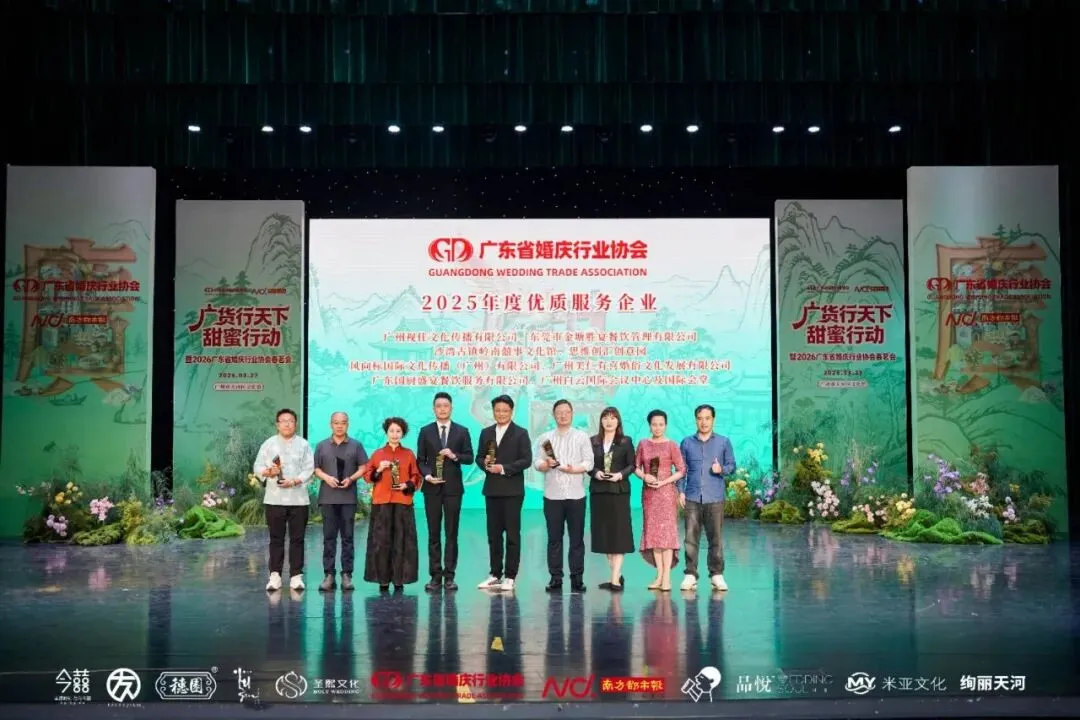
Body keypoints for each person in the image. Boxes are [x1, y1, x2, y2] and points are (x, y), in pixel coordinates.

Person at [416, 391, 475, 592]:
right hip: (431, 488)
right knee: (433, 533)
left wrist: (454, 455)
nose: (442, 409)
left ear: (451, 408)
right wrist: (427, 476)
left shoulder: (462, 431)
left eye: (446, 406)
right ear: (434, 409)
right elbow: (420, 460)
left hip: (453, 489)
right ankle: (435, 576)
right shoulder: (425, 431)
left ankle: (449, 576)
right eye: (438, 406)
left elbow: (470, 458)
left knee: (451, 533)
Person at [534, 399, 594, 593]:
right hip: (552, 496)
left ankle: (577, 578)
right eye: (559, 412)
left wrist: (573, 469)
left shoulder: (581, 436)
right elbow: (536, 462)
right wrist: (545, 465)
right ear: (553, 415)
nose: (563, 415)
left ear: (572, 413)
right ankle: (555, 578)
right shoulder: (545, 438)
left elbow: (589, 463)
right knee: (554, 539)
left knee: (577, 539)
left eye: (566, 412)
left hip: (576, 496)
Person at [253, 408, 315, 592]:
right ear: (277, 424)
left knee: (298, 539)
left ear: (295, 424)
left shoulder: (304, 444)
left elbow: (309, 469)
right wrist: (268, 472)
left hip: (298, 500)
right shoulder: (268, 444)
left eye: (291, 421)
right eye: (283, 421)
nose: (287, 424)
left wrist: (295, 481)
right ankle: (275, 576)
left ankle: (296, 576)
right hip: (274, 499)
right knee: (276, 539)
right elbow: (257, 466)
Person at [475, 394, 532, 592]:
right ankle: (494, 574)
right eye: (497, 410)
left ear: (511, 411)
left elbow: (526, 460)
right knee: (494, 534)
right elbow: (479, 457)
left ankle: (510, 576)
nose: (501, 414)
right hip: (492, 490)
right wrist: (484, 464)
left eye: (505, 410)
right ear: (493, 412)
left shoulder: (521, 433)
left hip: (512, 490)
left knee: (512, 535)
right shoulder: (486, 433)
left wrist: (503, 468)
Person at [677, 404, 735, 592]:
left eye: (707, 418)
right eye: (700, 418)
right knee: (690, 538)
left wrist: (721, 469)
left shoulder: (723, 442)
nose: (704, 422)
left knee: (715, 538)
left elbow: (732, 466)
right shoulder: (686, 443)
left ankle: (716, 574)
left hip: (715, 497)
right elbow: (681, 470)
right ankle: (690, 574)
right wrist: (681, 491)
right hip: (692, 496)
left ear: (713, 420)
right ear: (696, 420)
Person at [363, 417, 423, 592]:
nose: (395, 434)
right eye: (391, 431)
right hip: (382, 503)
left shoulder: (409, 454)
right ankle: (382, 579)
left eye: (398, 431)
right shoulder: (378, 454)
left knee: (402, 542)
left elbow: (416, 476)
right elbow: (367, 476)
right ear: (386, 432)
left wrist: (407, 485)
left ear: (403, 433)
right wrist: (379, 469)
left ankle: (399, 579)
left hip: (402, 502)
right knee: (381, 542)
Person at [312, 412, 369, 592]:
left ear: (347, 425)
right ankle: (329, 574)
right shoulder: (322, 445)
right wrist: (326, 477)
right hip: (328, 497)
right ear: (331, 424)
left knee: (348, 538)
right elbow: (316, 469)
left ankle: (347, 575)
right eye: (336, 423)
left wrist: (351, 478)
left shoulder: (356, 445)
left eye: (343, 423)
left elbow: (363, 467)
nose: (339, 426)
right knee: (329, 537)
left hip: (348, 498)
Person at [635, 409, 685, 592]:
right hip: (650, 495)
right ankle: (659, 575)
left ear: (666, 425)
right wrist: (644, 476)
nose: (657, 427)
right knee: (654, 535)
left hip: (666, 494)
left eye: (661, 424)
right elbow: (635, 467)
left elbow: (681, 470)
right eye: (654, 424)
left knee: (667, 535)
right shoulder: (643, 444)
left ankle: (667, 578)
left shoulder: (672, 445)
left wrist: (665, 481)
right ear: (649, 425)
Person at [589, 406, 636, 591]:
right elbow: (587, 464)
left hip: (618, 492)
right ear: (601, 420)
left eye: (613, 418)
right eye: (606, 417)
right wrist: (596, 473)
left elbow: (632, 465)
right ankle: (617, 574)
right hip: (599, 493)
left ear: (618, 421)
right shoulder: (593, 441)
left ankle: (615, 580)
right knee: (606, 537)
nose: (609, 421)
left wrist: (620, 475)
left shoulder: (625, 441)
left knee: (618, 536)